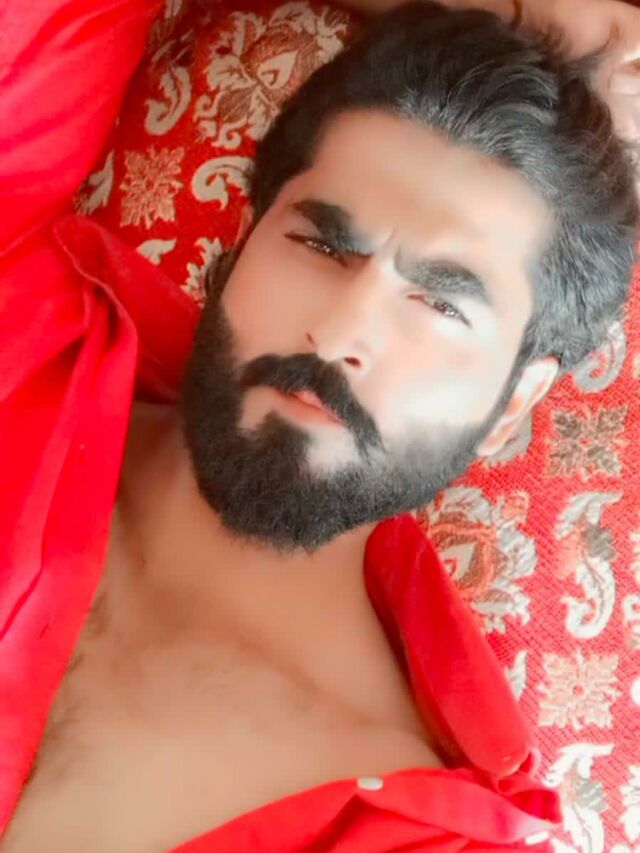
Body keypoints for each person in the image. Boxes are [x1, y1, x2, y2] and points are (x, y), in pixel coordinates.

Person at [0, 0, 639, 851]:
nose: (340, 334)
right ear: (242, 240)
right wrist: (542, 15)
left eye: (440, 303)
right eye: (322, 247)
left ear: (514, 403)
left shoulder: (403, 832)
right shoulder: (23, 313)